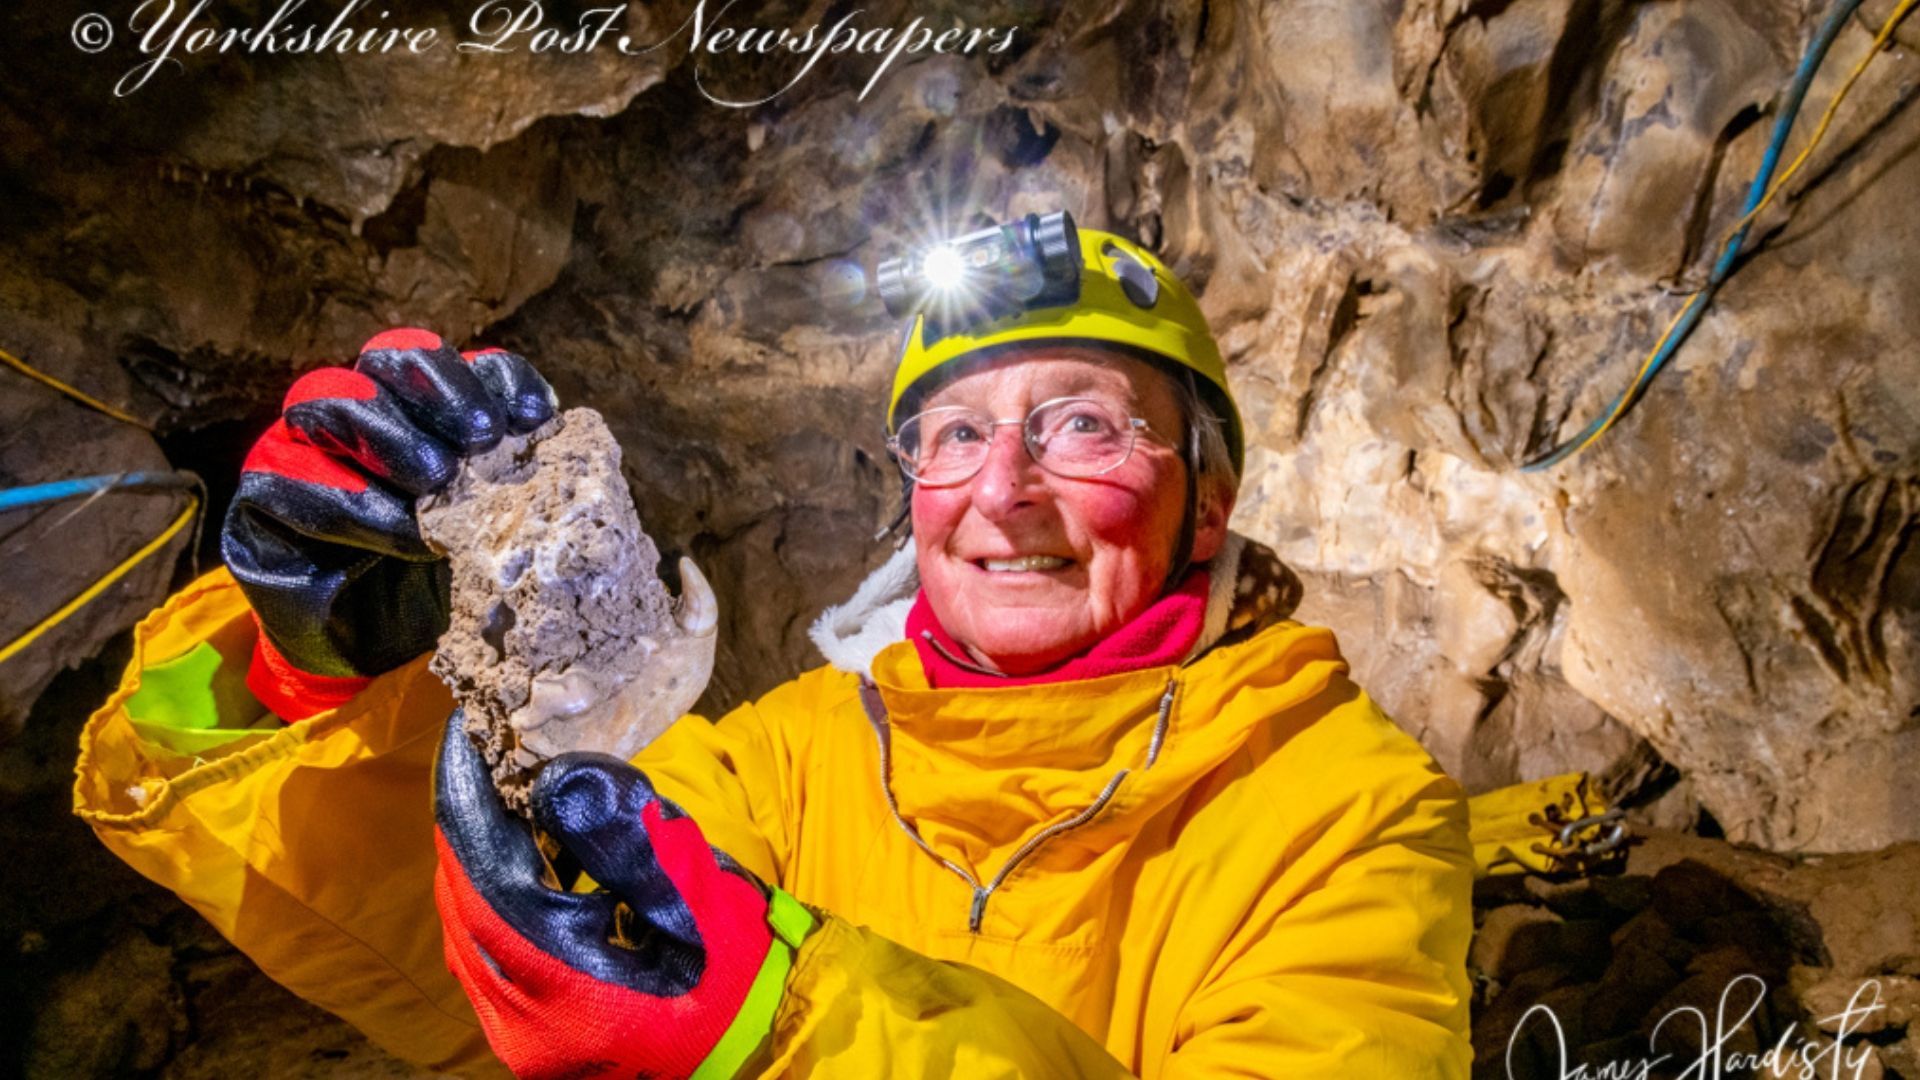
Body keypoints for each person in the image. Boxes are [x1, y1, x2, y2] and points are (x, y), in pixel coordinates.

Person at [73, 220, 1475, 1077]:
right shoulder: (797, 753)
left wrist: (789, 1031)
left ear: (1209, 497)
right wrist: (314, 685)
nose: (1006, 490)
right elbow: (497, 977)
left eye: (1087, 426)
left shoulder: (1345, 810)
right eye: (959, 435)